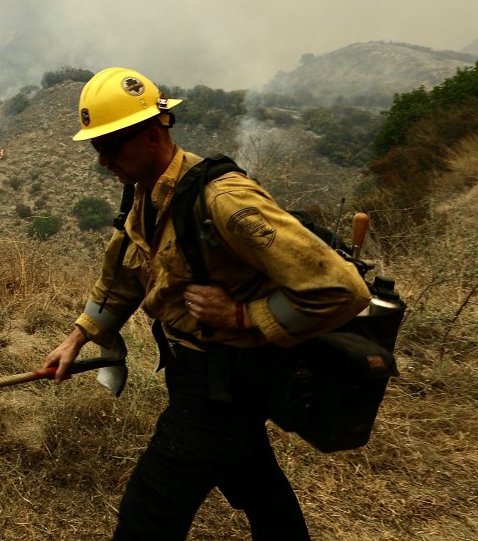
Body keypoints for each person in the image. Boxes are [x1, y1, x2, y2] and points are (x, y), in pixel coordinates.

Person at [43, 67, 371, 540]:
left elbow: (341, 289)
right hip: (195, 373)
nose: (102, 160)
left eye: (110, 146)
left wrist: (243, 315)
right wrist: (78, 338)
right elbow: (123, 275)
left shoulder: (224, 200)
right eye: (97, 148)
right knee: (256, 484)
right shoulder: (145, 195)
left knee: (148, 512)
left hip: (224, 384)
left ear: (152, 135)